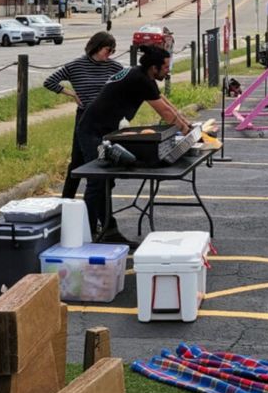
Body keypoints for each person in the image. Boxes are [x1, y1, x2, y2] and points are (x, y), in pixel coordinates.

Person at [76, 46, 193, 245]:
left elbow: (165, 103)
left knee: (106, 181)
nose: (168, 71)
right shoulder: (140, 79)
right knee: (97, 181)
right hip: (92, 131)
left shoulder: (143, 75)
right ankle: (88, 235)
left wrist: (187, 125)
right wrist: (187, 132)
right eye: (165, 67)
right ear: (154, 67)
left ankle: (108, 230)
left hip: (108, 131)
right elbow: (164, 112)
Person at [43, 31, 123, 198]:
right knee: (78, 160)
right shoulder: (76, 66)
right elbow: (49, 82)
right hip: (85, 118)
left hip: (108, 119)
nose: (110, 54)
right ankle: (67, 200)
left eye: (113, 51)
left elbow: (127, 84)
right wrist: (72, 94)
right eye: (108, 50)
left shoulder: (115, 67)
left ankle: (103, 202)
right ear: (97, 47)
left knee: (107, 158)